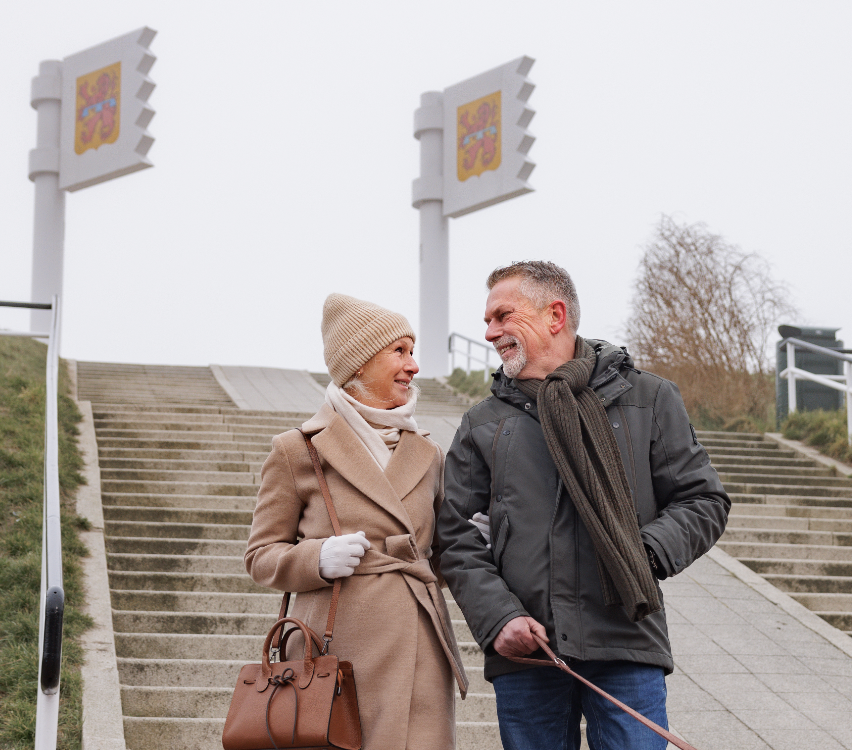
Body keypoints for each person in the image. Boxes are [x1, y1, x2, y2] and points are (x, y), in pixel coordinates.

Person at [437, 261, 730, 750]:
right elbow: (455, 534)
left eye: (502, 316)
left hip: (627, 641)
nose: (489, 332)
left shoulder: (649, 398)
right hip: (528, 651)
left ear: (554, 315)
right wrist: (498, 618)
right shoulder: (482, 423)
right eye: (488, 320)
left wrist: (645, 553)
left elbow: (703, 499)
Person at [245, 293, 468, 750]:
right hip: (332, 653)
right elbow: (260, 555)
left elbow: (440, 559)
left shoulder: (428, 453)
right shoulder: (297, 448)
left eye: (412, 351)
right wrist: (317, 559)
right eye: (399, 352)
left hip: (418, 643)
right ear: (360, 363)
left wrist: (473, 537)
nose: (413, 366)